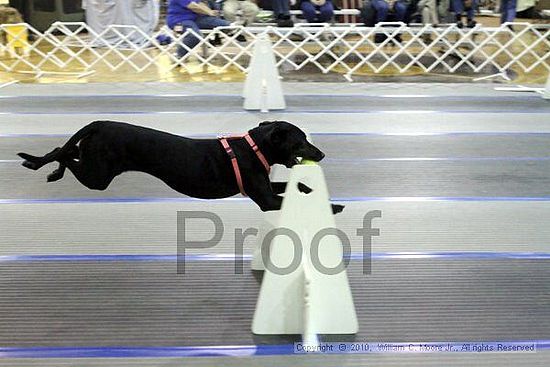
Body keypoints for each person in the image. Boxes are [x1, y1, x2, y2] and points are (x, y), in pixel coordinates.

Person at [167, 0, 231, 58]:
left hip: (195, 19)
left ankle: (234, 29)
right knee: (194, 36)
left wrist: (211, 11)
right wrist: (209, 12)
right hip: (179, 20)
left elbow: (199, 3)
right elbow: (193, 6)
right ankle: (179, 55)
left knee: (226, 25)